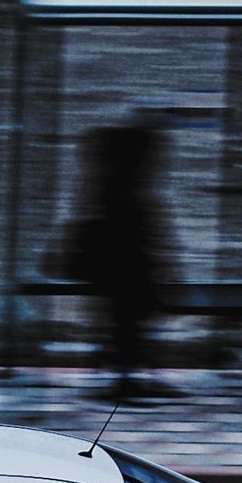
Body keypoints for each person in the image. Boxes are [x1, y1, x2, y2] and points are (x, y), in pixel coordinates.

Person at [65, 121, 179, 399]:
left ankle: (124, 373)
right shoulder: (131, 194)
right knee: (130, 321)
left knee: (123, 321)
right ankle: (130, 375)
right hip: (127, 270)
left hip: (114, 269)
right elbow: (146, 233)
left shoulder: (104, 188)